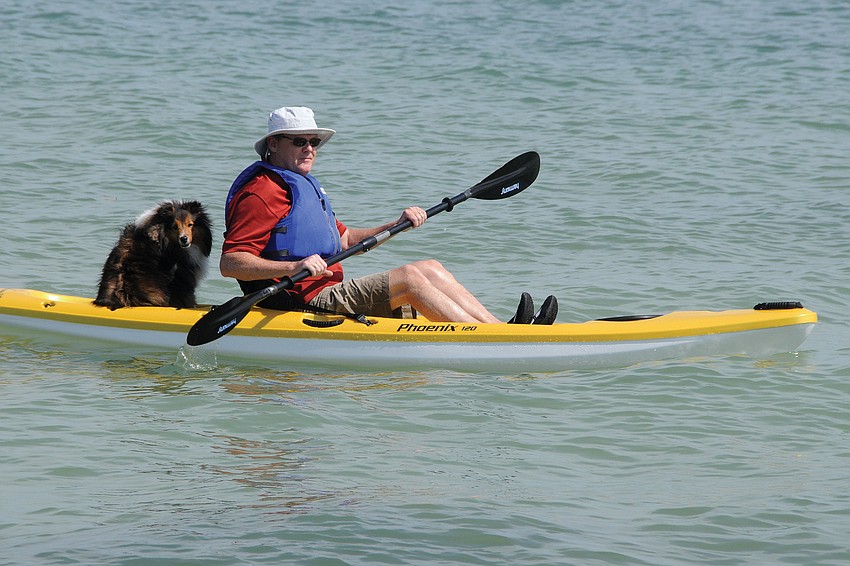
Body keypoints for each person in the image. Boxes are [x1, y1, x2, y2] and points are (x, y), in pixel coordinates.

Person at [220, 106, 558, 324]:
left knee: (430, 267)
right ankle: (489, 341)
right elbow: (232, 262)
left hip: (327, 289)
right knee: (409, 278)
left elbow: (345, 239)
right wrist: (293, 267)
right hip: (300, 300)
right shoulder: (261, 192)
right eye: (299, 142)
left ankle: (498, 328)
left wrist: (396, 225)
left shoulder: (302, 186)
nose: (309, 148)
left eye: (314, 142)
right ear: (274, 144)